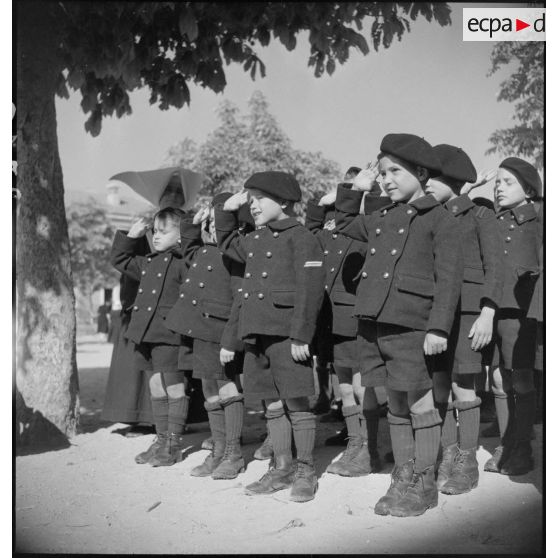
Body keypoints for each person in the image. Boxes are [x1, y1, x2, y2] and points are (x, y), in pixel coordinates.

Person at [334, 133, 463, 517]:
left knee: (421, 401)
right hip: (376, 322)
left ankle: (424, 481)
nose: (386, 179)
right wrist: (354, 189)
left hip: (414, 324)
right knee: (395, 400)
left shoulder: (440, 218)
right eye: (383, 173)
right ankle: (401, 474)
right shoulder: (382, 217)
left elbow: (449, 279)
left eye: (395, 172)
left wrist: (439, 328)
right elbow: (344, 222)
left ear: (421, 173)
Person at [215, 171, 325, 503]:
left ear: (284, 202)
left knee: (296, 400)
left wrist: (301, 335)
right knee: (272, 403)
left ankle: (306, 471)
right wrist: (227, 211)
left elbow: (311, 290)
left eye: (259, 199)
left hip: (287, 334)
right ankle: (282, 467)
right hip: (256, 332)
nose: (253, 205)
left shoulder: (302, 237)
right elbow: (226, 243)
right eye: (250, 200)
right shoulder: (256, 238)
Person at [424, 144, 504, 495]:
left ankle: (467, 460)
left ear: (455, 180)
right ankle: (448, 453)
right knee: (438, 384)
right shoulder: (430, 216)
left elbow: (495, 268)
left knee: (463, 384)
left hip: (470, 313)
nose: (425, 181)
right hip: (436, 313)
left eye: (433, 176)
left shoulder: (481, 216)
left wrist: (488, 312)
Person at [305, 169, 391, 476]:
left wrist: (368, 191)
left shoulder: (370, 224)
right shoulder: (333, 227)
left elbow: (381, 217)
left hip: (356, 313)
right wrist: (323, 202)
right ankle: (355, 446)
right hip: (333, 315)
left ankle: (369, 449)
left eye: (354, 190)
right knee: (344, 385)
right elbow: (311, 232)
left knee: (359, 384)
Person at [165, 195, 246, 480]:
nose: (211, 227)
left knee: (226, 388)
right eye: (209, 221)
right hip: (198, 329)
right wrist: (192, 223)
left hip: (219, 331)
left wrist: (230, 340)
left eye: (216, 221)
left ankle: (233, 454)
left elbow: (239, 300)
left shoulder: (236, 252)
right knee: (208, 389)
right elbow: (188, 248)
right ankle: (219, 449)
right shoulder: (203, 251)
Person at [111, 207, 193, 467]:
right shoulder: (148, 261)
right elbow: (120, 260)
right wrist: (131, 236)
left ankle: (173, 443)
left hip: (170, 334)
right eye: (154, 231)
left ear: (181, 235)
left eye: (163, 231)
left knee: (175, 386)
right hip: (147, 333)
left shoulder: (185, 262)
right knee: (156, 386)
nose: (156, 236)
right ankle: (160, 439)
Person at [483, 157, 542, 475]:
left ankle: (523, 447)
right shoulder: (494, 220)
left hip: (523, 311)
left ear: (529, 189)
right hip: (495, 309)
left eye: (507, 182)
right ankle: (507, 442)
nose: (499, 187)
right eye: (497, 182)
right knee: (497, 378)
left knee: (520, 378)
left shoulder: (540, 219)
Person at [101, 249, 154, 430]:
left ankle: (148, 419)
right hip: (133, 319)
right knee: (135, 373)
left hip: (144, 320)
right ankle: (139, 419)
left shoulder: (146, 264)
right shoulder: (135, 266)